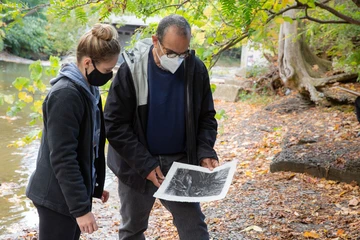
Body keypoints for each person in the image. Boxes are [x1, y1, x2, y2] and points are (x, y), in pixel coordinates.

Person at [104, 14, 219, 239]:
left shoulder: (195, 69)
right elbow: (114, 124)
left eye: (183, 53)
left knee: (194, 228)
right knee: (132, 229)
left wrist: (205, 151)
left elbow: (207, 117)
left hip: (179, 163)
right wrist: (145, 165)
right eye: (171, 53)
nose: (177, 59)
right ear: (155, 41)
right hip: (137, 164)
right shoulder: (132, 68)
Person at [26, 23, 121, 240]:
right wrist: (81, 209)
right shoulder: (65, 96)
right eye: (107, 70)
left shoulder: (89, 89)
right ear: (88, 62)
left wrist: (93, 185)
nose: (109, 75)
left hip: (68, 193)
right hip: (55, 197)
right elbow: (63, 158)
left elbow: (89, 144)